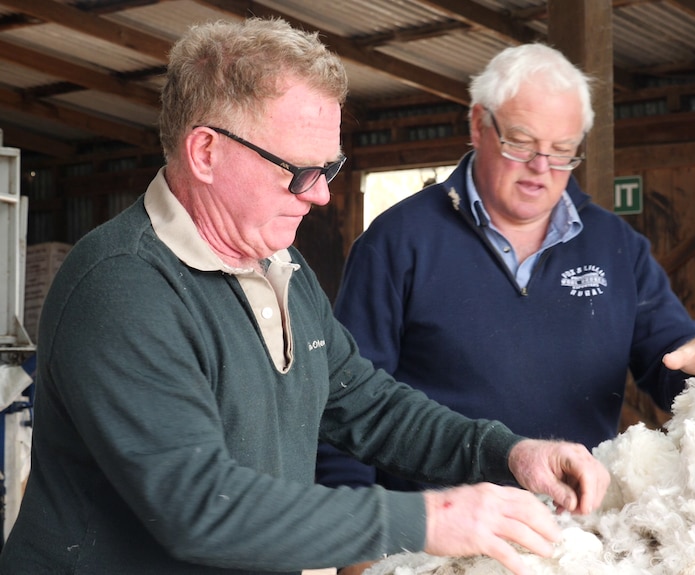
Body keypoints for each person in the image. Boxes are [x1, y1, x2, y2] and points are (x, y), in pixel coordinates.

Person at [0, 20, 611, 575]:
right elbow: (200, 508)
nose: (319, 196)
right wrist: (430, 520)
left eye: (330, 168)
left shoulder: (278, 262)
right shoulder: (124, 285)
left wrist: (509, 453)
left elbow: (368, 405)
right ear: (205, 152)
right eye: (297, 170)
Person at [317, 43, 695, 493]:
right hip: (437, 534)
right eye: (521, 144)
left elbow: (669, 359)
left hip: (577, 525)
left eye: (562, 151)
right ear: (478, 125)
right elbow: (346, 399)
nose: (540, 169)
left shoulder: (614, 245)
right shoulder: (398, 241)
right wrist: (357, 542)